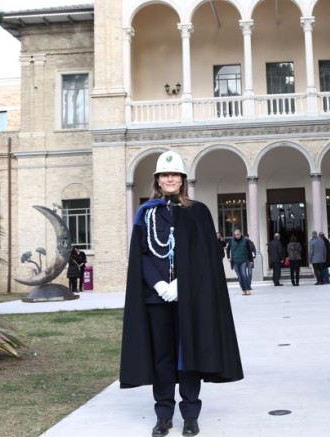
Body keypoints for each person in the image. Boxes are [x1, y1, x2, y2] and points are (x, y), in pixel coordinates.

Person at [120, 150, 244, 437]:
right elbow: (141, 255)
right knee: (162, 358)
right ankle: (164, 414)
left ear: (182, 179)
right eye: (165, 175)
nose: (170, 178)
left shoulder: (198, 211)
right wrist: (159, 285)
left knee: (188, 356)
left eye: (174, 174)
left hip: (190, 298)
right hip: (156, 298)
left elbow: (205, 257)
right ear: (157, 180)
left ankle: (190, 414)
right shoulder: (145, 212)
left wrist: (182, 284)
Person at [226, 229, 254, 295]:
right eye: (235, 235)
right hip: (235, 261)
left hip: (244, 260)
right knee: (239, 276)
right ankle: (243, 289)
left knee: (244, 274)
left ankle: (247, 289)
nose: (237, 236)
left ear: (241, 234)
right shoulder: (231, 241)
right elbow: (228, 249)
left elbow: (249, 251)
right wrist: (228, 257)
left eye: (238, 234)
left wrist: (251, 260)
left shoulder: (245, 241)